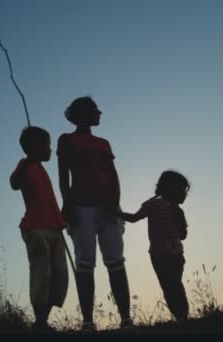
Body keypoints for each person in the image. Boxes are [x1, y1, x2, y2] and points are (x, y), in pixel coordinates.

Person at [57, 96, 132, 332]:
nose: (100, 113)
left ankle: (126, 319)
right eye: (94, 110)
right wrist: (68, 205)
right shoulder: (66, 140)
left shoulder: (103, 143)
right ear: (81, 114)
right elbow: (63, 178)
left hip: (107, 208)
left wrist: (114, 204)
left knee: (115, 260)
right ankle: (88, 322)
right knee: (85, 262)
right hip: (80, 207)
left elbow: (113, 176)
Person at [10, 126, 68, 332]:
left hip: (54, 228)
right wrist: (26, 163)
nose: (49, 149)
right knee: (41, 272)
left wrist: (61, 220)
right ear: (34, 147)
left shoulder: (42, 170)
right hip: (35, 227)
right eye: (46, 145)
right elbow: (14, 183)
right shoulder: (25, 165)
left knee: (60, 274)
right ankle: (40, 322)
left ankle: (43, 319)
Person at [117, 170, 190, 322]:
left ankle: (182, 316)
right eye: (182, 190)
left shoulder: (178, 211)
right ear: (171, 188)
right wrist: (117, 213)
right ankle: (181, 317)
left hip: (175, 255)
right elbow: (134, 218)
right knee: (171, 286)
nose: (185, 194)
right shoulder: (153, 205)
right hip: (161, 255)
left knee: (173, 285)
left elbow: (183, 235)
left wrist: (179, 221)